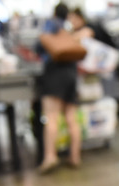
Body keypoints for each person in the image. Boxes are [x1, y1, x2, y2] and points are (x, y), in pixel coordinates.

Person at [37, 2, 81, 173]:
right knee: (71, 117)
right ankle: (75, 156)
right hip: (72, 74)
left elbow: (39, 47)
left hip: (55, 74)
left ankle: (50, 157)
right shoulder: (70, 29)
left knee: (52, 117)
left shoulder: (51, 26)